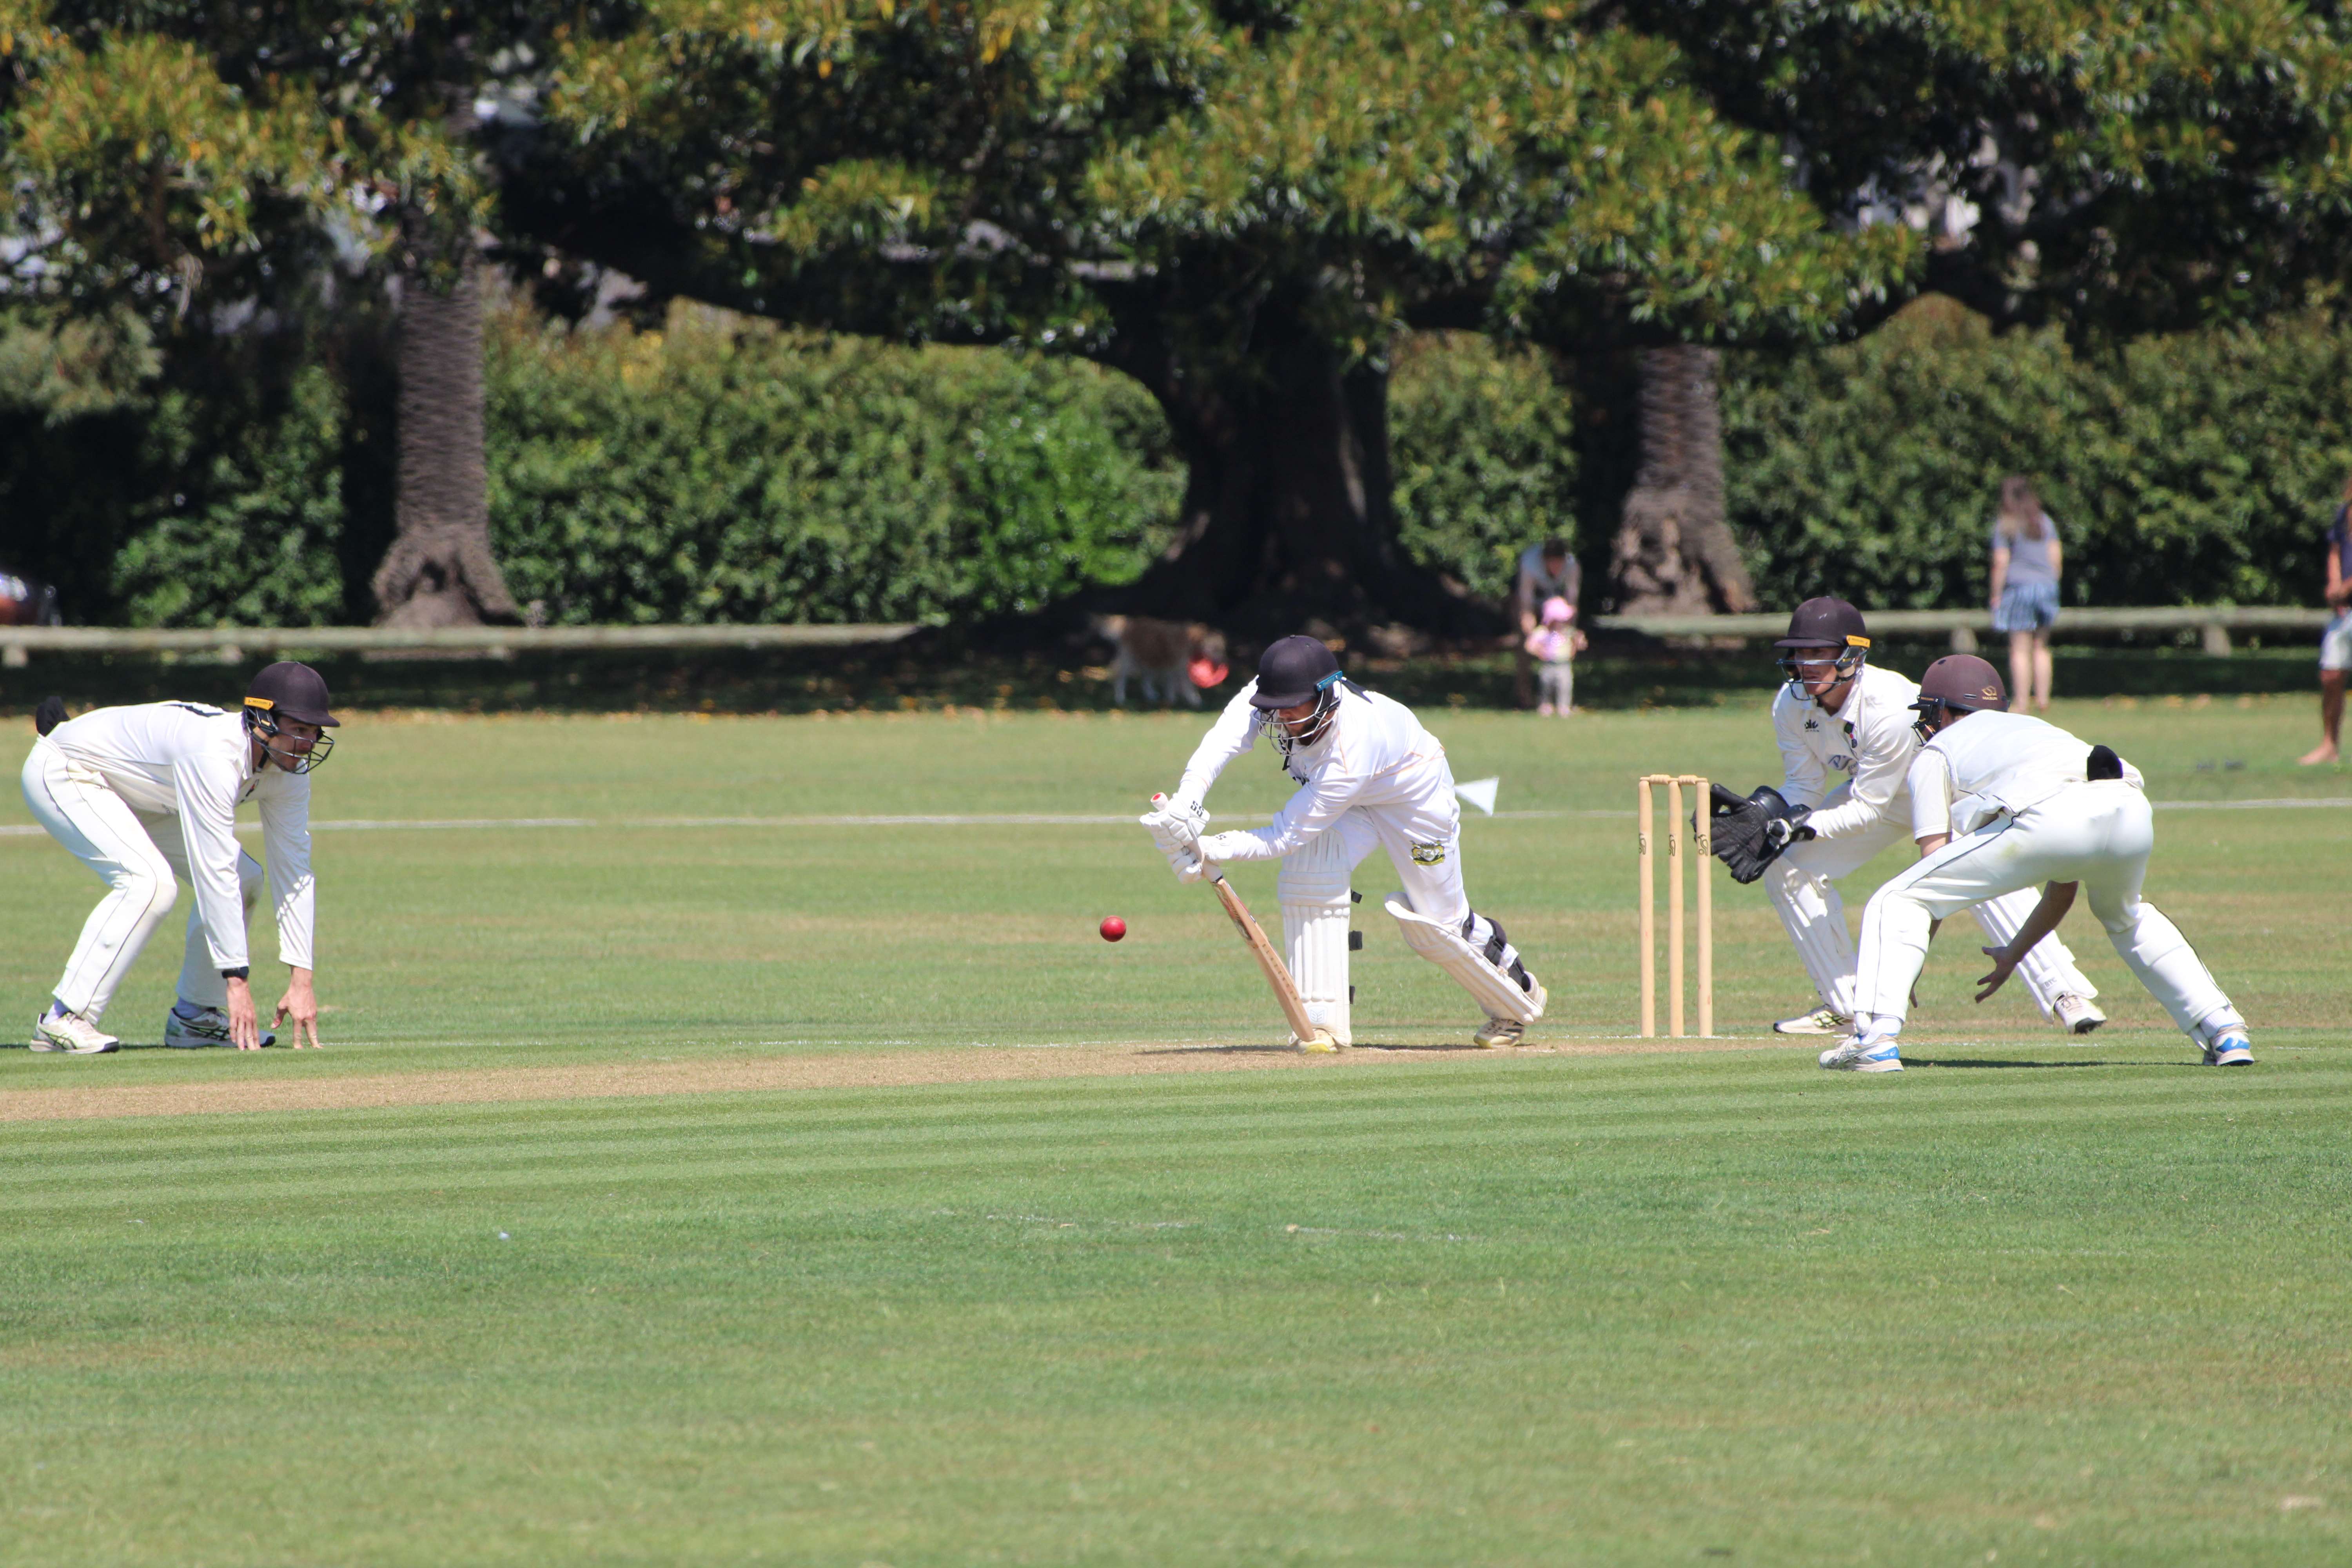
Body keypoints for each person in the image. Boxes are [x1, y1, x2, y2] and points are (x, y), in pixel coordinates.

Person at [1820, 655, 2252, 1073]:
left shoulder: (1936, 752)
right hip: (2128, 804)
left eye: (1932, 713)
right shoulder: (2031, 727)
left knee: (1896, 899)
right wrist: (2015, 953)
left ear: (1948, 712)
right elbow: (2064, 883)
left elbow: (1932, 878)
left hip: (2049, 810)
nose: (1928, 724)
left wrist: (1903, 970)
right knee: (2125, 915)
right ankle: (2225, 1030)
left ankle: (1874, 1038)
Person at [1140, 635, 1545, 1049]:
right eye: (1273, 707)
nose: (1280, 718)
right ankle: (1322, 1024)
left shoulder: (1351, 748)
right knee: (1311, 871)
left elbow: (1285, 834)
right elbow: (1222, 742)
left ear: (1324, 696)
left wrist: (1209, 848)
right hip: (1358, 799)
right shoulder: (1273, 695)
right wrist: (1188, 802)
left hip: (1414, 799)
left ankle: (1517, 1001)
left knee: (1439, 927)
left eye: (1292, 706)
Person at [1735, 597, 2104, 1037]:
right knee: (1785, 860)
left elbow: (1866, 809)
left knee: (1977, 871)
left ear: (1852, 655)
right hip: (1883, 793)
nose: (1807, 663)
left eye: (1819, 652)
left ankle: (2063, 992)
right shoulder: (1790, 705)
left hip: (1947, 789)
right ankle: (1849, 1005)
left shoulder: (1886, 708)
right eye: (1801, 652)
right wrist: (1769, 817)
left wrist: (1797, 824)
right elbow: (1804, 787)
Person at [19, 662, 338, 1053]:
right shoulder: (215, 756)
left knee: (246, 878)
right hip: (68, 767)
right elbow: (214, 869)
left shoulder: (289, 771)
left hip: (147, 792)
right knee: (148, 883)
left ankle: (196, 1017)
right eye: (298, 729)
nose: (306, 742)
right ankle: (63, 1017)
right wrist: (236, 982)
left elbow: (295, 871)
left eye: (313, 732)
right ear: (262, 719)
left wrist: (302, 980)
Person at [1989, 476, 2062, 712]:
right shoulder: (2044, 522)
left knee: (2020, 649)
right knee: (2041, 646)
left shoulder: (2006, 525)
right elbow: (2055, 557)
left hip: (2019, 588)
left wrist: (1996, 594)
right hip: (2047, 587)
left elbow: (2001, 562)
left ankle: (2022, 702)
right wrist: (2052, 584)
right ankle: (2043, 699)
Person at [2298, 475, 2352, 765]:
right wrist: (2334, 586)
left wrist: (2346, 587)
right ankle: (2329, 745)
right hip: (2343, 612)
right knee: (2331, 675)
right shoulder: (2344, 514)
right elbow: (2335, 552)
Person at [1513, 538, 1580, 710]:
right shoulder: (1530, 564)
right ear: (1545, 560)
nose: (1556, 569)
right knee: (1524, 649)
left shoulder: (1572, 565)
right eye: (1553, 564)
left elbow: (1572, 599)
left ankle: (1563, 700)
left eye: (1560, 564)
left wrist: (1568, 630)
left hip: (1558, 606)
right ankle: (1525, 698)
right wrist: (1532, 632)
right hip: (1535, 602)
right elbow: (1525, 599)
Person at [1525, 595, 1583, 716]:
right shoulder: (1544, 632)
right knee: (1546, 686)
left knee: (1565, 687)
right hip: (1549, 664)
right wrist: (1540, 652)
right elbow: (1530, 645)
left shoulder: (1568, 632)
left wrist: (1576, 646)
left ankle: (1564, 707)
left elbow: (1579, 642)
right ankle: (1546, 706)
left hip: (1564, 664)